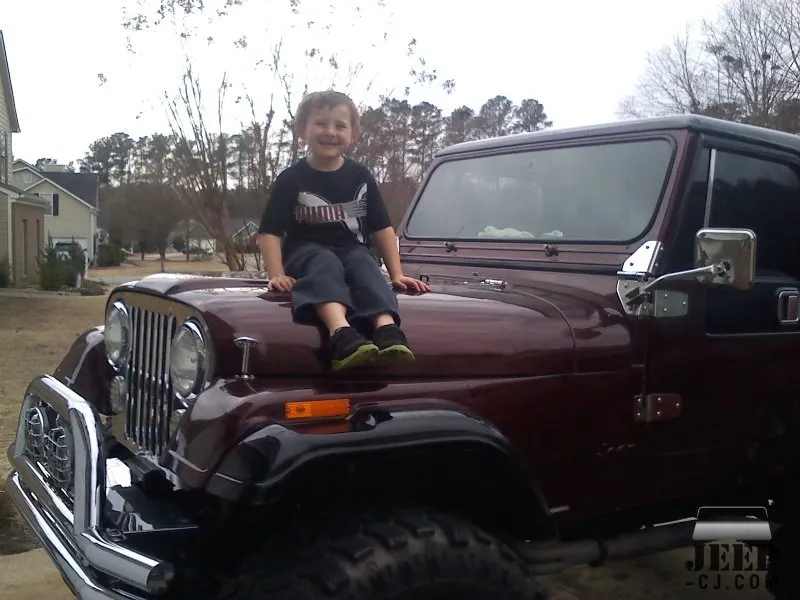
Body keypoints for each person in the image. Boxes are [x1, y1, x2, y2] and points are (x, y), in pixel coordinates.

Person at [258, 90, 430, 371]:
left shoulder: (360, 176)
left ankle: (386, 330)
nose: (330, 132)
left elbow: (382, 229)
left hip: (351, 250)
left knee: (365, 264)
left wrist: (396, 274)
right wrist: (276, 274)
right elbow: (270, 233)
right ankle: (340, 333)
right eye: (321, 123)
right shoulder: (291, 179)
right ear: (301, 130)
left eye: (340, 126)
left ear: (354, 135)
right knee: (324, 262)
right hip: (304, 253)